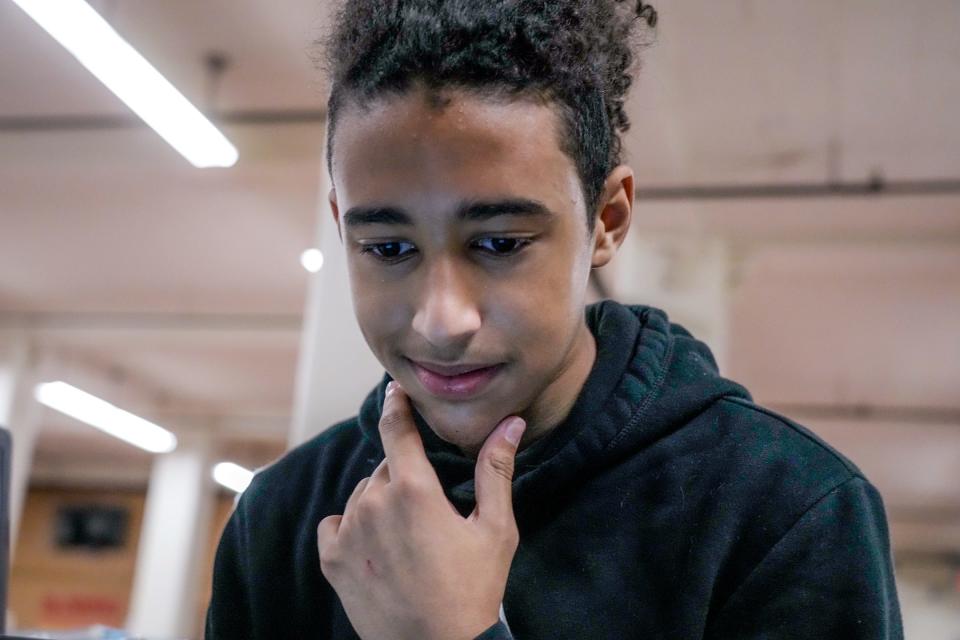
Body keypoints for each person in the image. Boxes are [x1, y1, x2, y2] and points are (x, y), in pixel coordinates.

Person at [206, 1, 903, 638]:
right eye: (388, 248)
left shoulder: (786, 510)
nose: (442, 321)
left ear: (607, 219)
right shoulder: (283, 517)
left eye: (500, 244)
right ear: (341, 227)